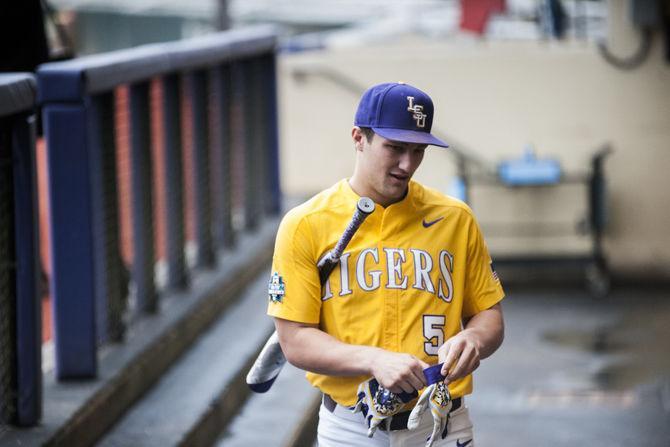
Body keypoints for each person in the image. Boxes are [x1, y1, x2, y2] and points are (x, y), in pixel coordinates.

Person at [267, 82, 505, 446]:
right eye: (394, 148)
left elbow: (489, 315)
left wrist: (474, 338)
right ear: (359, 138)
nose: (407, 164)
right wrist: (373, 360)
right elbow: (294, 341)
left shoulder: (455, 219)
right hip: (351, 428)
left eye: (418, 150)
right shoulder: (306, 224)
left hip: (442, 421)